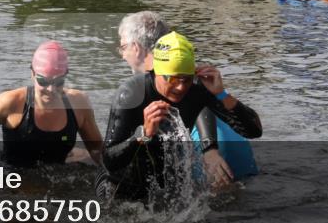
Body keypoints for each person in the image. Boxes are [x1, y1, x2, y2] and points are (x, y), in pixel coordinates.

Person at [96, 31, 262, 204]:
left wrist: (222, 95)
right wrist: (143, 134)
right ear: (156, 71)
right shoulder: (131, 93)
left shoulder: (198, 89)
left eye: (187, 79)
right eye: (173, 79)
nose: (181, 87)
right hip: (119, 181)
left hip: (166, 179)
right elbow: (109, 161)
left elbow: (254, 131)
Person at [117, 12, 257, 180]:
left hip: (212, 155)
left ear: (136, 47)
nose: (122, 55)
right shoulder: (186, 65)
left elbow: (201, 106)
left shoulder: (150, 83)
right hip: (239, 151)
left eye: (123, 47)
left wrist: (210, 148)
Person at [0, 41, 103, 171]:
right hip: (14, 177)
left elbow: (96, 147)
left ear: (66, 76)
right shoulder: (10, 102)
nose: (51, 89)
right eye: (43, 81)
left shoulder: (79, 104)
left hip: (58, 176)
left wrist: (111, 173)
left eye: (59, 82)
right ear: (32, 74)